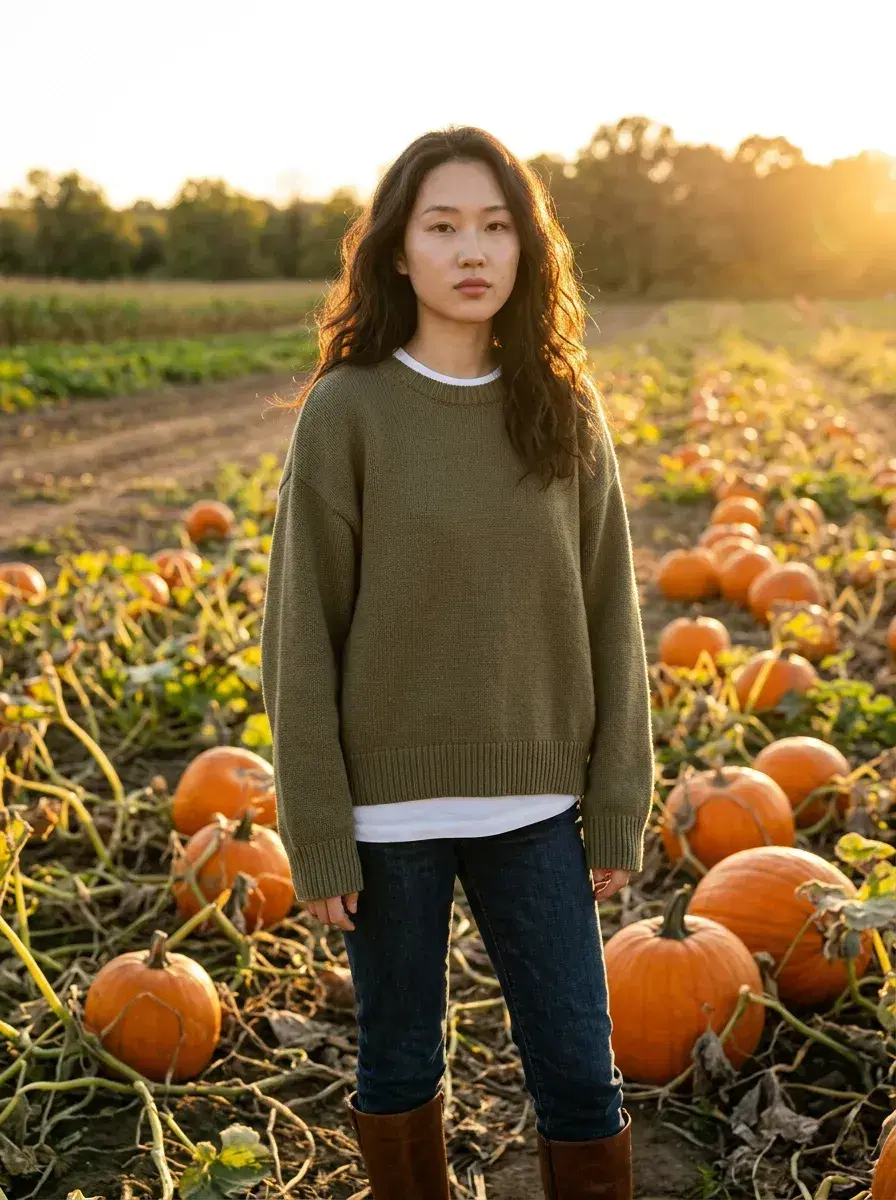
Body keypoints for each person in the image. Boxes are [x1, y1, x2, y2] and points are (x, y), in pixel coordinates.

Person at [259, 125, 654, 1200]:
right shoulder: (348, 411)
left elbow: (609, 614)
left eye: (494, 226)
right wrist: (317, 826)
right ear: (397, 251)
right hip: (386, 825)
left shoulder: (560, 406)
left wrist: (617, 799)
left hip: (533, 810)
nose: (470, 250)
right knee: (396, 1069)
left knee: (579, 1077)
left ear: (525, 250)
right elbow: (300, 634)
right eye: (442, 227)